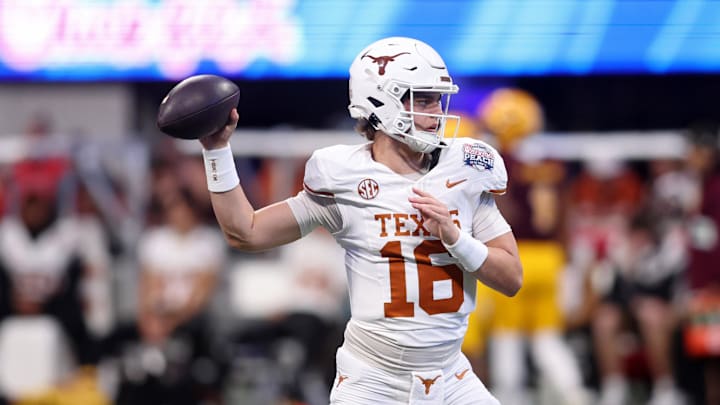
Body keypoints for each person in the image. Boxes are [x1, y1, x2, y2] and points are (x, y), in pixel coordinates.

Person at [197, 37, 523, 404]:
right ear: (380, 101)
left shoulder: (465, 169)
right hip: (374, 382)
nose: (437, 112)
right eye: (423, 99)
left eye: (437, 99)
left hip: (452, 377)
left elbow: (511, 278)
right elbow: (246, 232)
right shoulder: (343, 177)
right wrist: (217, 151)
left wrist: (456, 238)